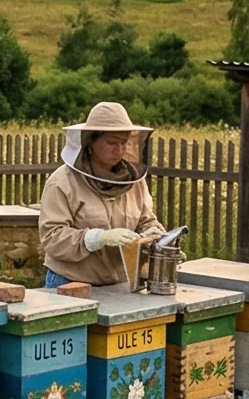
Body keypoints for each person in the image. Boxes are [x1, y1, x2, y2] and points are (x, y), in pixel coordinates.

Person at [37, 101, 167, 288]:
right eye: (111, 142)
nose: (119, 150)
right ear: (90, 141)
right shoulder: (62, 182)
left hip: (120, 282)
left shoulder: (134, 182)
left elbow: (145, 220)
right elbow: (52, 238)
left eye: (124, 142)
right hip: (70, 283)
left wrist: (153, 233)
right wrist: (97, 238)